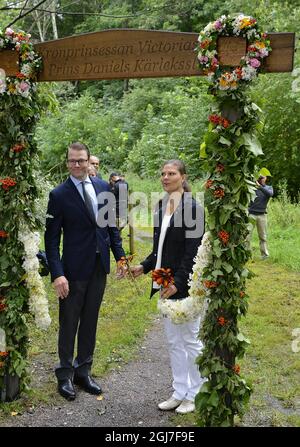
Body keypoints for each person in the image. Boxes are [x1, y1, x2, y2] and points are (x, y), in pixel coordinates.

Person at [45, 142, 125, 401]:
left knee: (90, 319)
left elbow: (110, 228)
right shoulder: (59, 195)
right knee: (69, 322)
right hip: (72, 270)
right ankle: (65, 374)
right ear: (67, 162)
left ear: (90, 161)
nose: (77, 165)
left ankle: (84, 370)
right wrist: (57, 274)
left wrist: (120, 257)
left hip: (99, 268)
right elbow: (51, 239)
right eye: (72, 161)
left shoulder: (103, 188)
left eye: (81, 160)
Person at [131, 160, 205, 414]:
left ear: (183, 177)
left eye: (171, 173)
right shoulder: (161, 205)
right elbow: (159, 248)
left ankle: (195, 394)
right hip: (163, 281)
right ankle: (179, 391)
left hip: (183, 285)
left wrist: (179, 283)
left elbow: (192, 252)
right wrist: (144, 266)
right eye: (162, 173)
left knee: (191, 339)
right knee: (173, 341)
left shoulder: (193, 209)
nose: (165, 177)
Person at [248, 175, 274, 259]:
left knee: (263, 236)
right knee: (247, 236)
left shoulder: (268, 188)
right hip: (251, 214)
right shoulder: (252, 188)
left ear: (266, 178)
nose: (261, 179)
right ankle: (247, 255)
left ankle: (264, 255)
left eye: (263, 177)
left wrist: (260, 187)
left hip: (262, 215)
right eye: (260, 177)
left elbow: (270, 194)